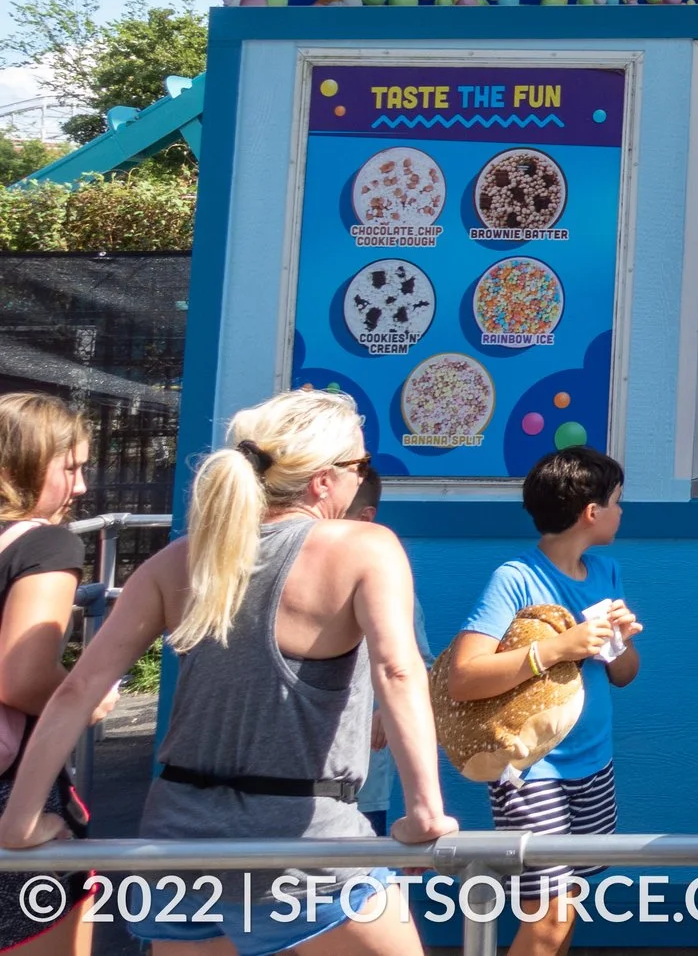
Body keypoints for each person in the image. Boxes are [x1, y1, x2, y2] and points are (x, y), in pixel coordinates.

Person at [0, 387, 455, 956]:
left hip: (177, 858)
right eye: (359, 464)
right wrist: (425, 813)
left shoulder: (175, 562)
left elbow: (77, 689)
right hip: (306, 857)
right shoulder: (365, 547)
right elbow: (399, 670)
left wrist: (18, 824)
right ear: (322, 479)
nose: (362, 477)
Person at [443, 447, 643, 956]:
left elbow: (624, 675)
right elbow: (464, 677)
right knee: (549, 915)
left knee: (569, 902)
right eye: (618, 502)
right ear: (591, 513)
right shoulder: (515, 577)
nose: (623, 512)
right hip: (532, 771)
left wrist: (621, 641)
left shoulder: (606, 572)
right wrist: (558, 647)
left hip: (594, 764)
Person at [0, 393, 107, 956]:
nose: (82, 488)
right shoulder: (46, 543)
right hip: (15, 796)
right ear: (20, 462)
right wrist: (85, 697)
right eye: (70, 468)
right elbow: (19, 677)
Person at [343, 467, 430, 838]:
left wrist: (383, 710)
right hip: (297, 783)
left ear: (365, 519)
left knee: (358, 882)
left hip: (363, 781)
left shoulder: (392, 591)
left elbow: (418, 664)